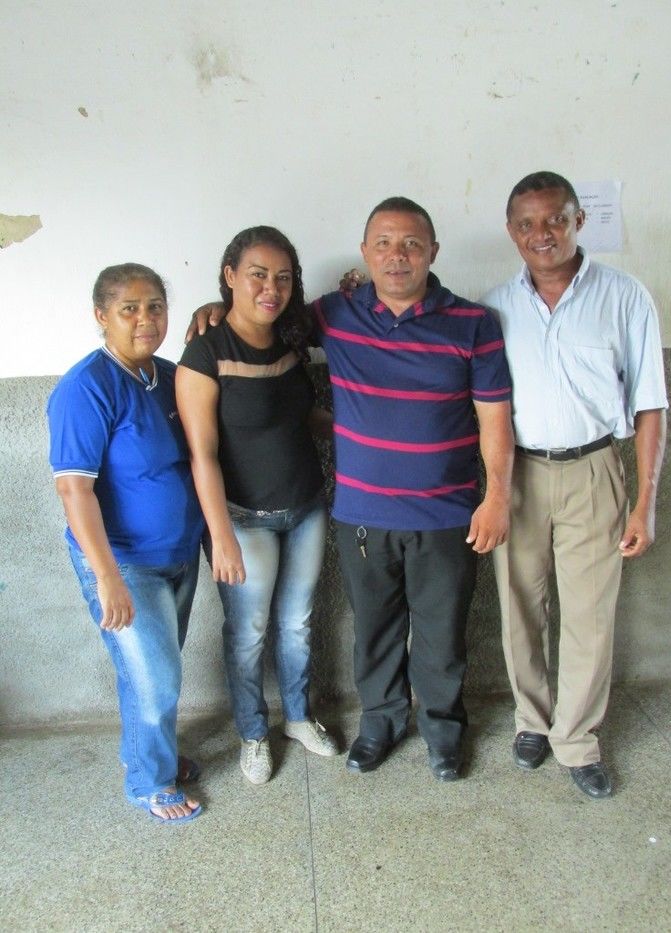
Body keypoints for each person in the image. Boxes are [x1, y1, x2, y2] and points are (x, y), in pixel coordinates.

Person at [188, 199, 514, 781]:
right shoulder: (334, 313)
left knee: (441, 633)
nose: (397, 255)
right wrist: (217, 305)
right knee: (376, 631)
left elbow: (494, 420)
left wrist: (495, 498)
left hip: (447, 514)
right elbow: (263, 314)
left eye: (411, 243)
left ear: (433, 253)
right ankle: (381, 723)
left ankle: (443, 732)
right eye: (384, 243)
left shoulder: (474, 324)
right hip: (362, 514)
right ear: (365, 253)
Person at [483, 171, 668, 799]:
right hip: (518, 475)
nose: (543, 234)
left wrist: (644, 500)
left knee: (590, 616)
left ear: (578, 221)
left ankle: (577, 739)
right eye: (528, 223)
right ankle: (532, 721)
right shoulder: (493, 308)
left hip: (595, 471)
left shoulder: (625, 296)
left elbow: (649, 406)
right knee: (520, 606)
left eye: (555, 219)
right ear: (511, 231)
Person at [176, 227, 339, 787]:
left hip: (306, 508)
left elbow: (303, 418)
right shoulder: (205, 350)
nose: (271, 287)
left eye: (283, 277)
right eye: (257, 275)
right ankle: (252, 731)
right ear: (229, 277)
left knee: (296, 625)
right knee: (247, 632)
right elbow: (202, 454)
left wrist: (359, 430)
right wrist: (219, 534)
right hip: (242, 520)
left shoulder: (293, 338)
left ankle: (297, 718)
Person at [47, 263, 205, 823]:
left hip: (178, 555)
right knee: (158, 679)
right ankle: (148, 780)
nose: (145, 319)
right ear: (101, 316)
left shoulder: (167, 374)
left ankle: (143, 750)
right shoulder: (86, 387)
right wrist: (107, 577)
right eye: (129, 309)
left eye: (155, 306)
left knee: (148, 671)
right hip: (122, 562)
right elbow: (73, 490)